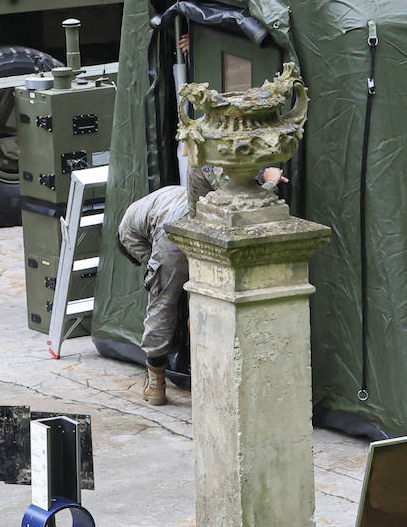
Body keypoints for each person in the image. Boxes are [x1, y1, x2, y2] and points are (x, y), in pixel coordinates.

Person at [117, 166, 285, 405]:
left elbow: (234, 200)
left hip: (174, 227)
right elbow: (237, 200)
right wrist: (269, 182)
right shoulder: (197, 172)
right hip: (180, 225)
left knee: (163, 300)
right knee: (173, 298)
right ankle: (164, 379)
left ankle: (156, 383)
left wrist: (266, 182)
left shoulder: (131, 229)